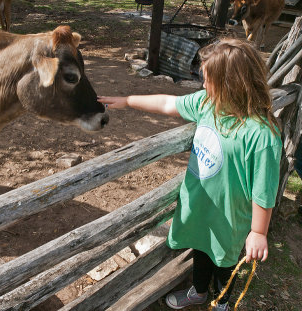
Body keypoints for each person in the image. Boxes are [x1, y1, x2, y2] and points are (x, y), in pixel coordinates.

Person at [98, 38, 282, 311]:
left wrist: (258, 231)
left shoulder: (260, 134)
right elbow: (168, 103)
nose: (203, 85)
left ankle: (223, 301)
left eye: (208, 80)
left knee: (225, 262)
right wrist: (127, 101)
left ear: (231, 82)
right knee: (200, 250)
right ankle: (198, 291)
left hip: (229, 219)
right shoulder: (208, 104)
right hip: (199, 206)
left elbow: (263, 190)